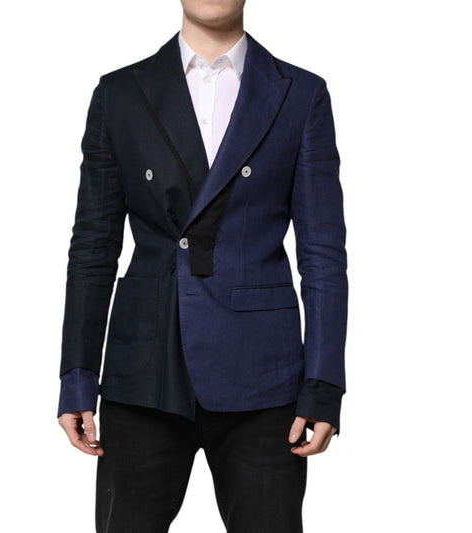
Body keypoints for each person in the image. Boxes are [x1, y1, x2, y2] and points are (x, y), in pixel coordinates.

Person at [57, 1, 348, 531]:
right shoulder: (119, 94)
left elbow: (323, 254)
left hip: (263, 376)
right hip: (144, 370)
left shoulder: (300, 94)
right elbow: (93, 248)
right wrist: (77, 376)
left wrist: (324, 384)